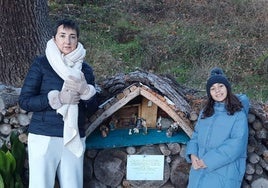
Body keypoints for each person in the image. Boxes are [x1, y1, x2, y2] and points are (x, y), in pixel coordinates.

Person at [19, 19, 98, 188]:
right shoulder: (42, 64)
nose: (67, 41)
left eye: (72, 37)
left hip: (74, 136)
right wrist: (58, 99)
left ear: (78, 40)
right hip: (43, 136)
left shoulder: (85, 70)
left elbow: (92, 109)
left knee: (73, 185)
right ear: (54, 38)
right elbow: (25, 101)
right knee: (41, 185)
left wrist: (86, 91)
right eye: (62, 36)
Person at [185, 67, 249, 188]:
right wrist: (192, 154)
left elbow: (236, 144)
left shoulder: (238, 114)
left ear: (227, 88)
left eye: (221, 86)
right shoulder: (206, 112)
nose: (217, 91)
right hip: (198, 170)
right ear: (209, 93)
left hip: (225, 172)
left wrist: (207, 161)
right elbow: (196, 135)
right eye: (213, 88)